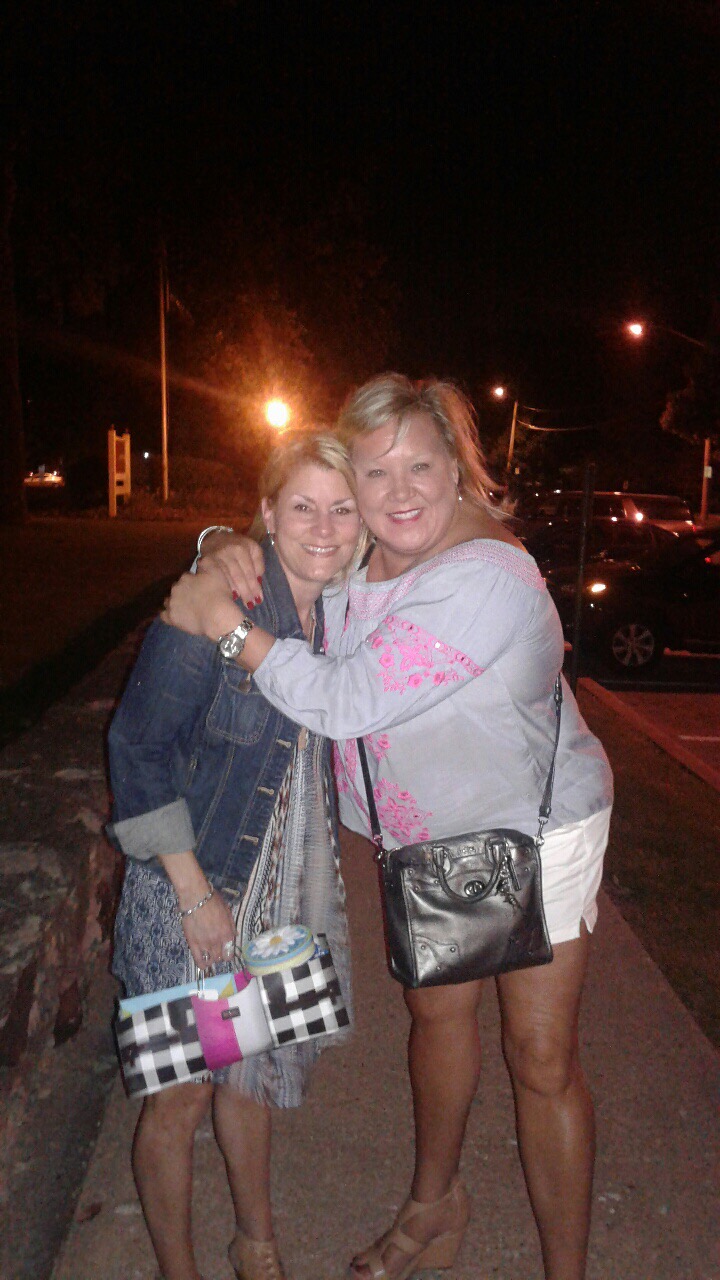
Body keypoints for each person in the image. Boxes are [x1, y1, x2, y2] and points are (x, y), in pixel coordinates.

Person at [163, 374, 614, 1280]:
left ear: (458, 467)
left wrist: (228, 631)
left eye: (420, 466)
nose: (400, 491)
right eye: (375, 472)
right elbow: (287, 542)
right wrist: (221, 546)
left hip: (536, 831)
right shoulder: (368, 552)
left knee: (538, 1054)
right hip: (430, 841)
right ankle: (433, 1209)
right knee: (437, 1017)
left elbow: (348, 699)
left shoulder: (486, 577)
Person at [107, 430, 363, 1280]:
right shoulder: (219, 602)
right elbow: (137, 750)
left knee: (247, 1079)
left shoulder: (351, 614)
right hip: (203, 884)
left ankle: (257, 1244)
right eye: (302, 506)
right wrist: (193, 896)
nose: (323, 527)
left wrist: (212, 539)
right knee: (181, 1098)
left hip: (288, 891)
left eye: (341, 508)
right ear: (267, 515)